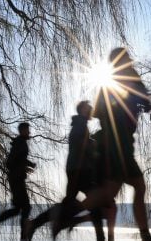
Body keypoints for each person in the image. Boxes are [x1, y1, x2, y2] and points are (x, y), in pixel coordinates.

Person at [55, 47, 151, 241]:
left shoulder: (111, 82)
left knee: (132, 187)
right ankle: (65, 216)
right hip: (116, 144)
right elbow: (138, 97)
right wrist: (142, 102)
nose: (129, 61)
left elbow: (100, 110)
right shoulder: (124, 78)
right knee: (111, 193)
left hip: (122, 143)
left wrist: (142, 103)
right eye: (126, 58)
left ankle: (144, 234)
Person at [27, 101, 110, 241]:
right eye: (89, 108)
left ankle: (36, 223)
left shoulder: (81, 125)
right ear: (83, 109)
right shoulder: (80, 125)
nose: (91, 110)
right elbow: (81, 145)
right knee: (94, 204)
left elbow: (81, 143)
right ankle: (44, 223)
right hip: (80, 170)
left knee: (71, 204)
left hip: (77, 169)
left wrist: (91, 143)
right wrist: (95, 148)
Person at [0, 122, 36, 240]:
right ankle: (24, 237)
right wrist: (23, 167)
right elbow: (10, 162)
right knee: (26, 208)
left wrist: (28, 164)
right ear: (22, 131)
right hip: (17, 179)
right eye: (27, 130)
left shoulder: (20, 143)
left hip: (16, 178)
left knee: (17, 209)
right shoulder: (20, 143)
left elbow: (18, 159)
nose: (29, 132)